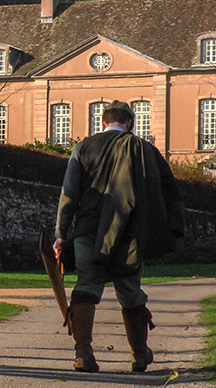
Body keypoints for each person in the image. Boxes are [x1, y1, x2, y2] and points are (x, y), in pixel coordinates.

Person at [54, 100, 184, 373]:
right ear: (130, 123)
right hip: (128, 235)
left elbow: (69, 195)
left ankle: (83, 354)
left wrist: (60, 235)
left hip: (88, 232)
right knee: (129, 289)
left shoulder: (83, 147)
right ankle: (138, 355)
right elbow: (168, 191)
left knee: (87, 286)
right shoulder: (144, 149)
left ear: (102, 122)